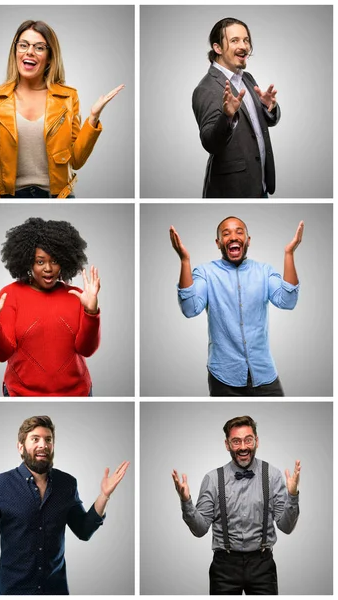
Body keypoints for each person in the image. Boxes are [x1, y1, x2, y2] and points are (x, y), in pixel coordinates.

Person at [0, 415, 129, 595]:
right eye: (35, 439)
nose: (43, 445)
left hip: (55, 590)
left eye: (48, 439)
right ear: (21, 447)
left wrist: (104, 496)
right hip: (14, 591)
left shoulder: (67, 483)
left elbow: (84, 530)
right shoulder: (2, 483)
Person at [0, 19, 124, 198]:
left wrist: (93, 118)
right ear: (15, 50)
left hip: (58, 196)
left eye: (39, 47)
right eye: (23, 45)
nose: (30, 52)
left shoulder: (67, 97)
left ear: (50, 56)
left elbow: (76, 160)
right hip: (9, 197)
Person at [170, 216, 303, 396]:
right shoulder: (205, 272)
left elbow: (287, 302)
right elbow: (190, 309)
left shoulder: (265, 271)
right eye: (226, 233)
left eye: (239, 232)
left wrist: (289, 253)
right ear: (218, 243)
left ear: (248, 240)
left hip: (264, 374)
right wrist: (184, 260)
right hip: (223, 377)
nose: (233, 237)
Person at [172, 415, 300, 595]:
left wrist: (293, 495)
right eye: (236, 441)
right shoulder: (213, 479)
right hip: (224, 566)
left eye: (248, 440)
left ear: (257, 441)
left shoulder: (272, 475)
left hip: (262, 565)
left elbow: (286, 527)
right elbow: (200, 529)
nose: (243, 447)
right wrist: (186, 501)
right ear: (227, 445)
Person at [0, 217, 100, 396]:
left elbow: (87, 350)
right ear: (28, 263)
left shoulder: (77, 296)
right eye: (40, 262)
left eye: (55, 261)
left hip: (76, 393)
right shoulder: (11, 295)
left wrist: (91, 312)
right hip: (21, 394)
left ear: (64, 261)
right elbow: (2, 354)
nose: (48, 268)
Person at [192, 18, 280, 198]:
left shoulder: (247, 78)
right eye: (235, 41)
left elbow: (258, 125)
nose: (244, 46)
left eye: (246, 40)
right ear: (217, 48)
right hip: (233, 191)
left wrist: (269, 107)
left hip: (259, 185)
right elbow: (210, 143)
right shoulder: (206, 89)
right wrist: (227, 116)